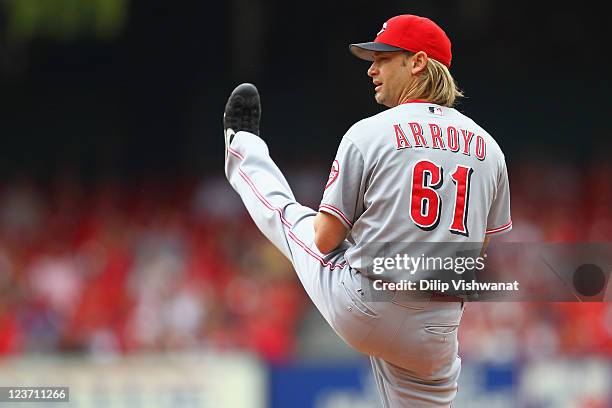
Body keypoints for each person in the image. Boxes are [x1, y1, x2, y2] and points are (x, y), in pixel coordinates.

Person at [222, 14, 512, 408]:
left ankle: (242, 145)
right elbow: (479, 254)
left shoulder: (369, 133)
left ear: (418, 63)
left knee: (293, 221)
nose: (372, 69)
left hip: (364, 305)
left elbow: (325, 240)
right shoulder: (489, 148)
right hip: (435, 330)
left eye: (384, 58)